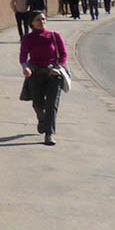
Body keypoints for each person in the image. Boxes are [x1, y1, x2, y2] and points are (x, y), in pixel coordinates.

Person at [19, 11, 67, 145]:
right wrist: (25, 67)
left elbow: (63, 54)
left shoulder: (54, 36)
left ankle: (49, 134)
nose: (42, 21)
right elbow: (23, 55)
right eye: (38, 19)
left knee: (52, 104)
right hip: (36, 73)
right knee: (38, 103)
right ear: (32, 22)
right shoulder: (27, 38)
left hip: (53, 73)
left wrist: (58, 68)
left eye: (44, 19)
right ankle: (42, 119)